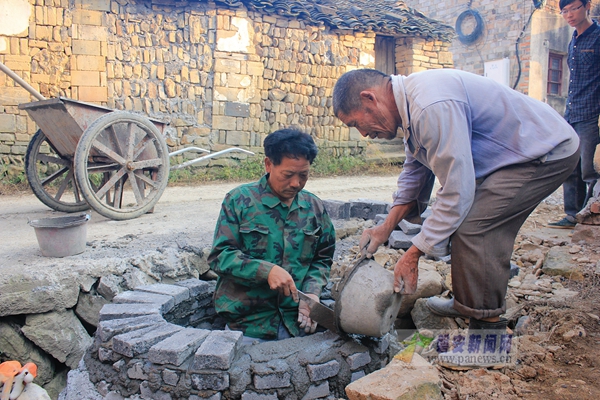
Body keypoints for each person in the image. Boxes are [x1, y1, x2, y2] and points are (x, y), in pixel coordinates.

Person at [332, 68, 579, 349]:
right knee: (463, 223)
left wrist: (414, 253)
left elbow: (457, 191)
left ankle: (489, 341)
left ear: (370, 98)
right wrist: (385, 227)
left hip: (544, 152)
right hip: (518, 154)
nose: (364, 134)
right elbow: (414, 175)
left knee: (476, 228)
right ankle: (468, 303)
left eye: (357, 124)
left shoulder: (429, 105)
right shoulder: (411, 109)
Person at [208, 128, 336, 343]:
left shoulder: (313, 207)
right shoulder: (239, 201)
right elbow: (221, 256)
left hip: (296, 322)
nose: (296, 183)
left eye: (303, 175)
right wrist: (265, 271)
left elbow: (322, 259)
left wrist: (312, 294)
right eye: (288, 175)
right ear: (269, 165)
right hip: (248, 324)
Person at [548, 0, 600, 229]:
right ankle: (572, 214)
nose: (568, 15)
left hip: (592, 112)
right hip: (571, 110)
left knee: (589, 168)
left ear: (587, 6)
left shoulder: (597, 37)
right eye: (564, 11)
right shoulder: (573, 40)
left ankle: (590, 215)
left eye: (574, 8)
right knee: (570, 163)